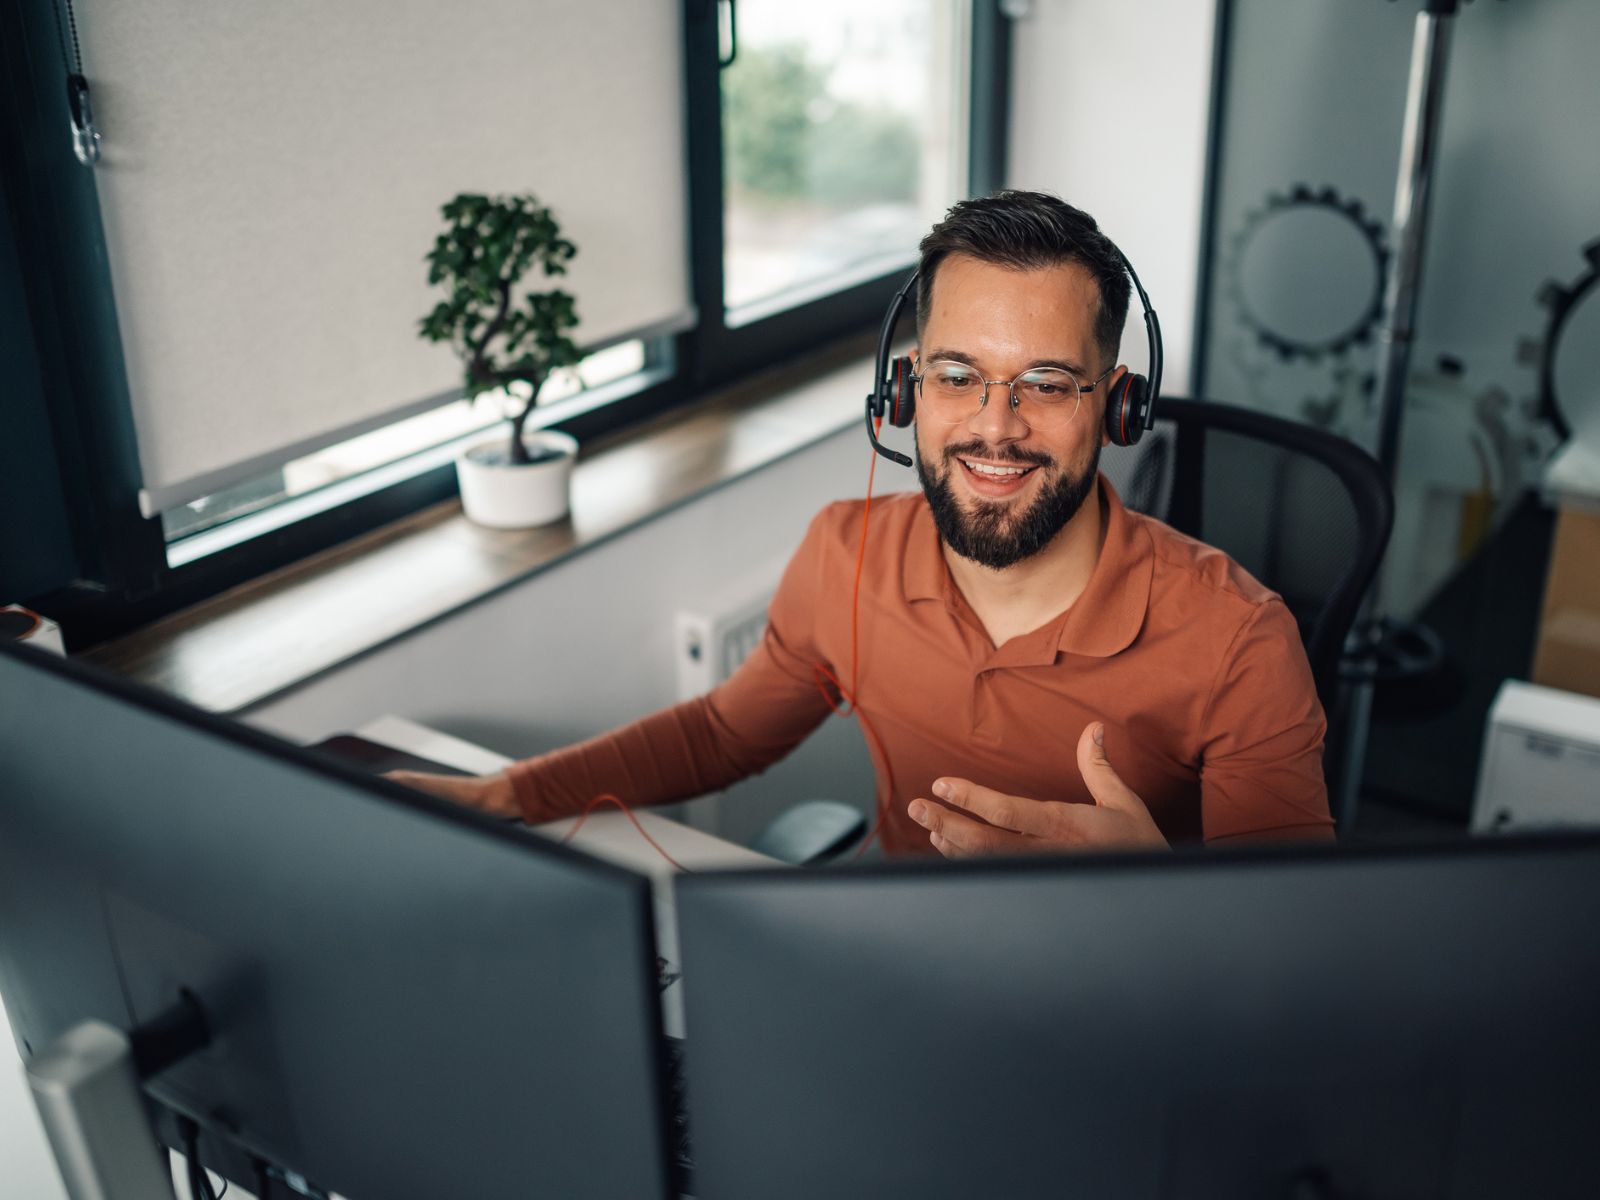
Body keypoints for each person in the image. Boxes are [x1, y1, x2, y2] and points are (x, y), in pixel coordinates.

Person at [393, 191, 1334, 855]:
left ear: (1119, 406)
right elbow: (723, 735)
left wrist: (1150, 897)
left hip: (1127, 1023)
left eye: (1047, 383)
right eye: (957, 376)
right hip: (896, 988)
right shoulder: (845, 553)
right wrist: (508, 793)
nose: (995, 427)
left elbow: (1300, 958)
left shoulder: (1238, 642)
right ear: (903, 390)